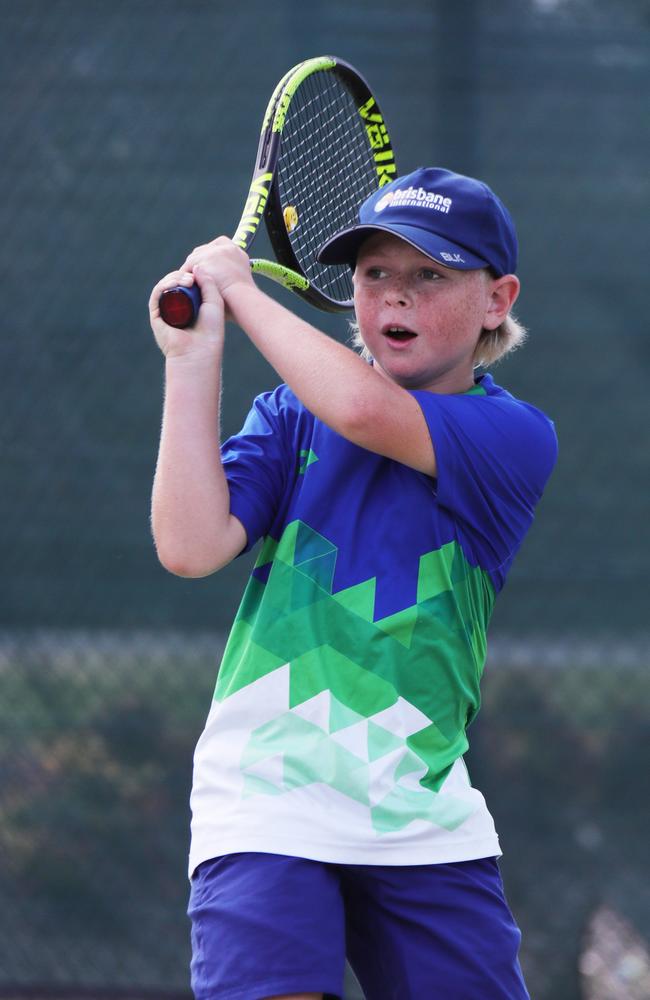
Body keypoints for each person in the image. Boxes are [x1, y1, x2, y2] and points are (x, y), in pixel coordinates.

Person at [149, 167, 558, 1000]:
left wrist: (241, 291)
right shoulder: (289, 416)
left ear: (497, 298)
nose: (395, 298)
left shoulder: (512, 437)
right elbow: (191, 546)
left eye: (430, 275)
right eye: (375, 274)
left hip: (422, 819)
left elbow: (365, 414)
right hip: (264, 804)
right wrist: (192, 360)